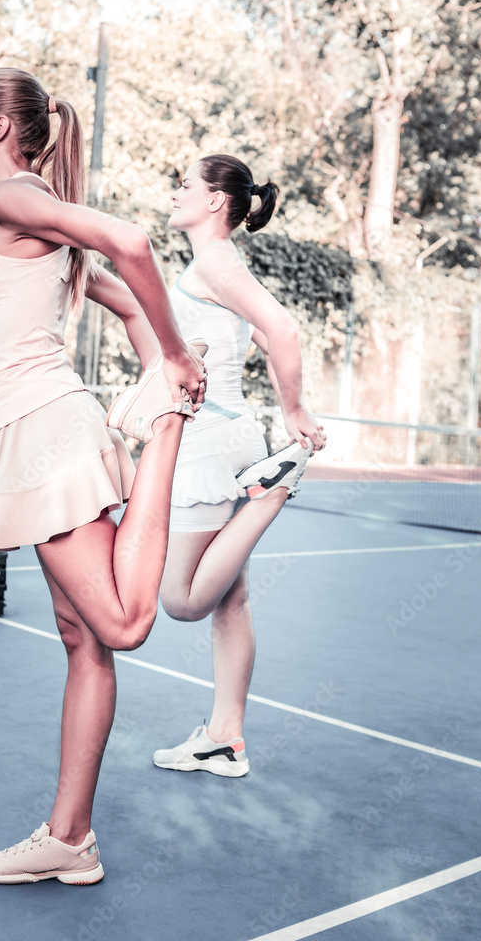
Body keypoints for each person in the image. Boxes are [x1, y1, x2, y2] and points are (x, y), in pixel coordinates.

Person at [0, 67, 207, 884]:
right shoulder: (28, 223)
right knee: (81, 639)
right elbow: (124, 303)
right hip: (46, 428)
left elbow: (128, 243)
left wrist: (171, 362)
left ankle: (165, 430)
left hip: (48, 433)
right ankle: (70, 839)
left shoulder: (11, 200)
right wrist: (156, 348)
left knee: (121, 625)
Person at [153, 154, 326, 777]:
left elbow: (283, 329)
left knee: (181, 599)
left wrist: (296, 410)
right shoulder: (217, 267)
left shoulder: (215, 262)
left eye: (184, 186)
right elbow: (247, 335)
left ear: (216, 202)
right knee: (232, 602)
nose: (175, 193)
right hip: (232, 435)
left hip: (211, 442)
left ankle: (271, 492)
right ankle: (225, 739)